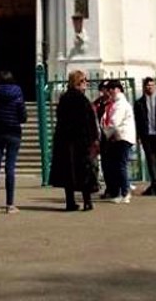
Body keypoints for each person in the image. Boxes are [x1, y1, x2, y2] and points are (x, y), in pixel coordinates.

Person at [49, 70, 99, 212]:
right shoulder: (82, 100)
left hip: (65, 142)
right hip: (81, 142)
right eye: (84, 81)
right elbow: (89, 122)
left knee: (68, 173)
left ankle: (70, 202)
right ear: (78, 82)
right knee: (84, 171)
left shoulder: (64, 99)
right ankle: (87, 201)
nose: (86, 84)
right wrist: (93, 139)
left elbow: (60, 121)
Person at [0, 69, 26, 214]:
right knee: (10, 167)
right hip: (13, 132)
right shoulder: (17, 92)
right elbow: (22, 113)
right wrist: (19, 119)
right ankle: (10, 204)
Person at [102, 80, 137, 203]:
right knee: (118, 166)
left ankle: (125, 192)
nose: (109, 92)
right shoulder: (115, 103)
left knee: (121, 166)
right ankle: (122, 191)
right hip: (119, 137)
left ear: (117, 89)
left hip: (122, 137)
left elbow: (114, 122)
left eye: (111, 89)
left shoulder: (120, 103)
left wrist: (105, 133)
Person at [133, 76, 156, 196]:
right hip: (146, 134)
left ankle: (154, 184)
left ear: (155, 86)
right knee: (150, 158)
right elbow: (137, 121)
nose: (150, 87)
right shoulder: (139, 103)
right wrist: (137, 135)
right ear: (144, 87)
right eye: (148, 85)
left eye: (152, 85)